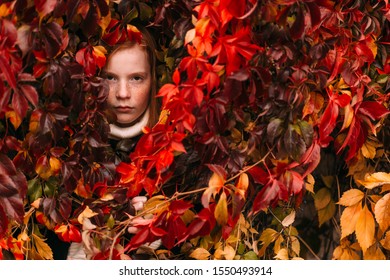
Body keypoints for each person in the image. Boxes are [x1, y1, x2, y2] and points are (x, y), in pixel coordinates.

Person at [66, 26, 161, 260]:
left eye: (136, 78)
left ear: (153, 80)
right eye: (110, 78)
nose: (122, 93)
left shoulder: (173, 151)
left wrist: (157, 237)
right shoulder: (68, 147)